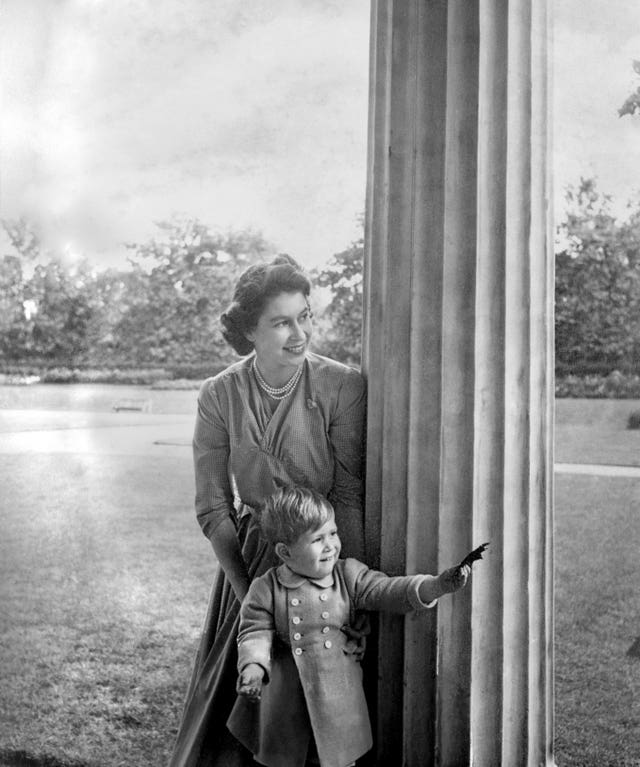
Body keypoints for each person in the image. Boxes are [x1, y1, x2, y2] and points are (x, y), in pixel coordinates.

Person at [169, 255, 367, 767]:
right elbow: (213, 509)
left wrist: (343, 591)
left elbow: (348, 495)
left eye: (305, 316)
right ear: (249, 332)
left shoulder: (342, 387)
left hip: (324, 567)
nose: (299, 333)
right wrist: (252, 600)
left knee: (321, 718)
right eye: (281, 322)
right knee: (239, 715)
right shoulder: (219, 395)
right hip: (249, 566)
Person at [227, 486, 472, 767]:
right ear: (285, 551)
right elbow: (254, 632)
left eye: (333, 533)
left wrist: (436, 585)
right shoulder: (266, 588)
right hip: (287, 699)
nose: (331, 545)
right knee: (288, 757)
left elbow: (388, 590)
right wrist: (253, 667)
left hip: (336, 693)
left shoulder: (347, 574)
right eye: (318, 539)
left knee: (337, 758)